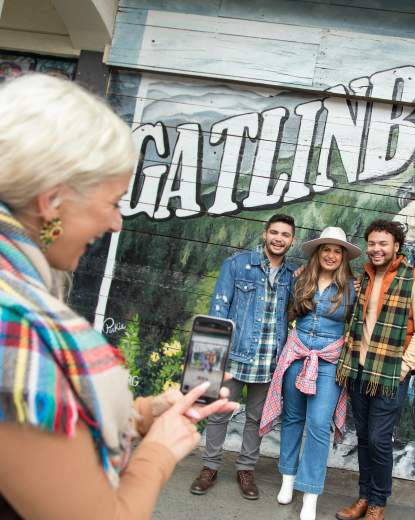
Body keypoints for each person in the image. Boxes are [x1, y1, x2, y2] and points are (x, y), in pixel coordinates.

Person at [0, 73, 238, 519]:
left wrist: (147, 413)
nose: (115, 223)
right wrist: (158, 454)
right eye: (113, 202)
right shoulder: (17, 331)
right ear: (52, 201)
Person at [190, 214, 297, 500]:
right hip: (236, 355)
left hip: (269, 361)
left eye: (285, 234)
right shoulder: (237, 265)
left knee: (256, 418)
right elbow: (218, 313)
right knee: (220, 414)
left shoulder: (291, 277)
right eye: (274, 232)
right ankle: (209, 466)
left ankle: (246, 469)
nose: (278, 238)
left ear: (292, 240)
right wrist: (210, 361)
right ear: (265, 234)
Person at [335, 219, 415, 520]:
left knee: (379, 439)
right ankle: (364, 497)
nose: (376, 249)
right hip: (360, 370)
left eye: (383, 244)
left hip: (391, 374)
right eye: (372, 244)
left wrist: (403, 368)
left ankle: (378, 503)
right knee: (364, 437)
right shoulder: (364, 278)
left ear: (397, 247)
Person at [260, 227, 360, 520]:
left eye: (337, 250)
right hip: (297, 354)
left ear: (343, 256)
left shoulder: (352, 287)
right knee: (293, 418)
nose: (331, 255)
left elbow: (355, 327)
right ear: (318, 253)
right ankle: (288, 478)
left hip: (328, 360)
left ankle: (311, 493)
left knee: (318, 424)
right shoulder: (300, 278)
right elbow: (288, 313)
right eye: (326, 249)